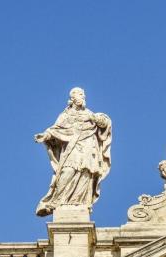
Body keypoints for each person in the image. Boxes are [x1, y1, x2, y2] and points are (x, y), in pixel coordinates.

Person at [35, 88, 111, 216]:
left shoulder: (90, 114)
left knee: (86, 173)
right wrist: (45, 136)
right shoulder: (65, 115)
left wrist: (95, 118)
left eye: (83, 95)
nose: (83, 96)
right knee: (67, 171)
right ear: (72, 98)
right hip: (72, 148)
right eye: (79, 94)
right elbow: (55, 130)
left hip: (88, 147)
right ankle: (57, 201)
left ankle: (79, 203)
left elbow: (105, 123)